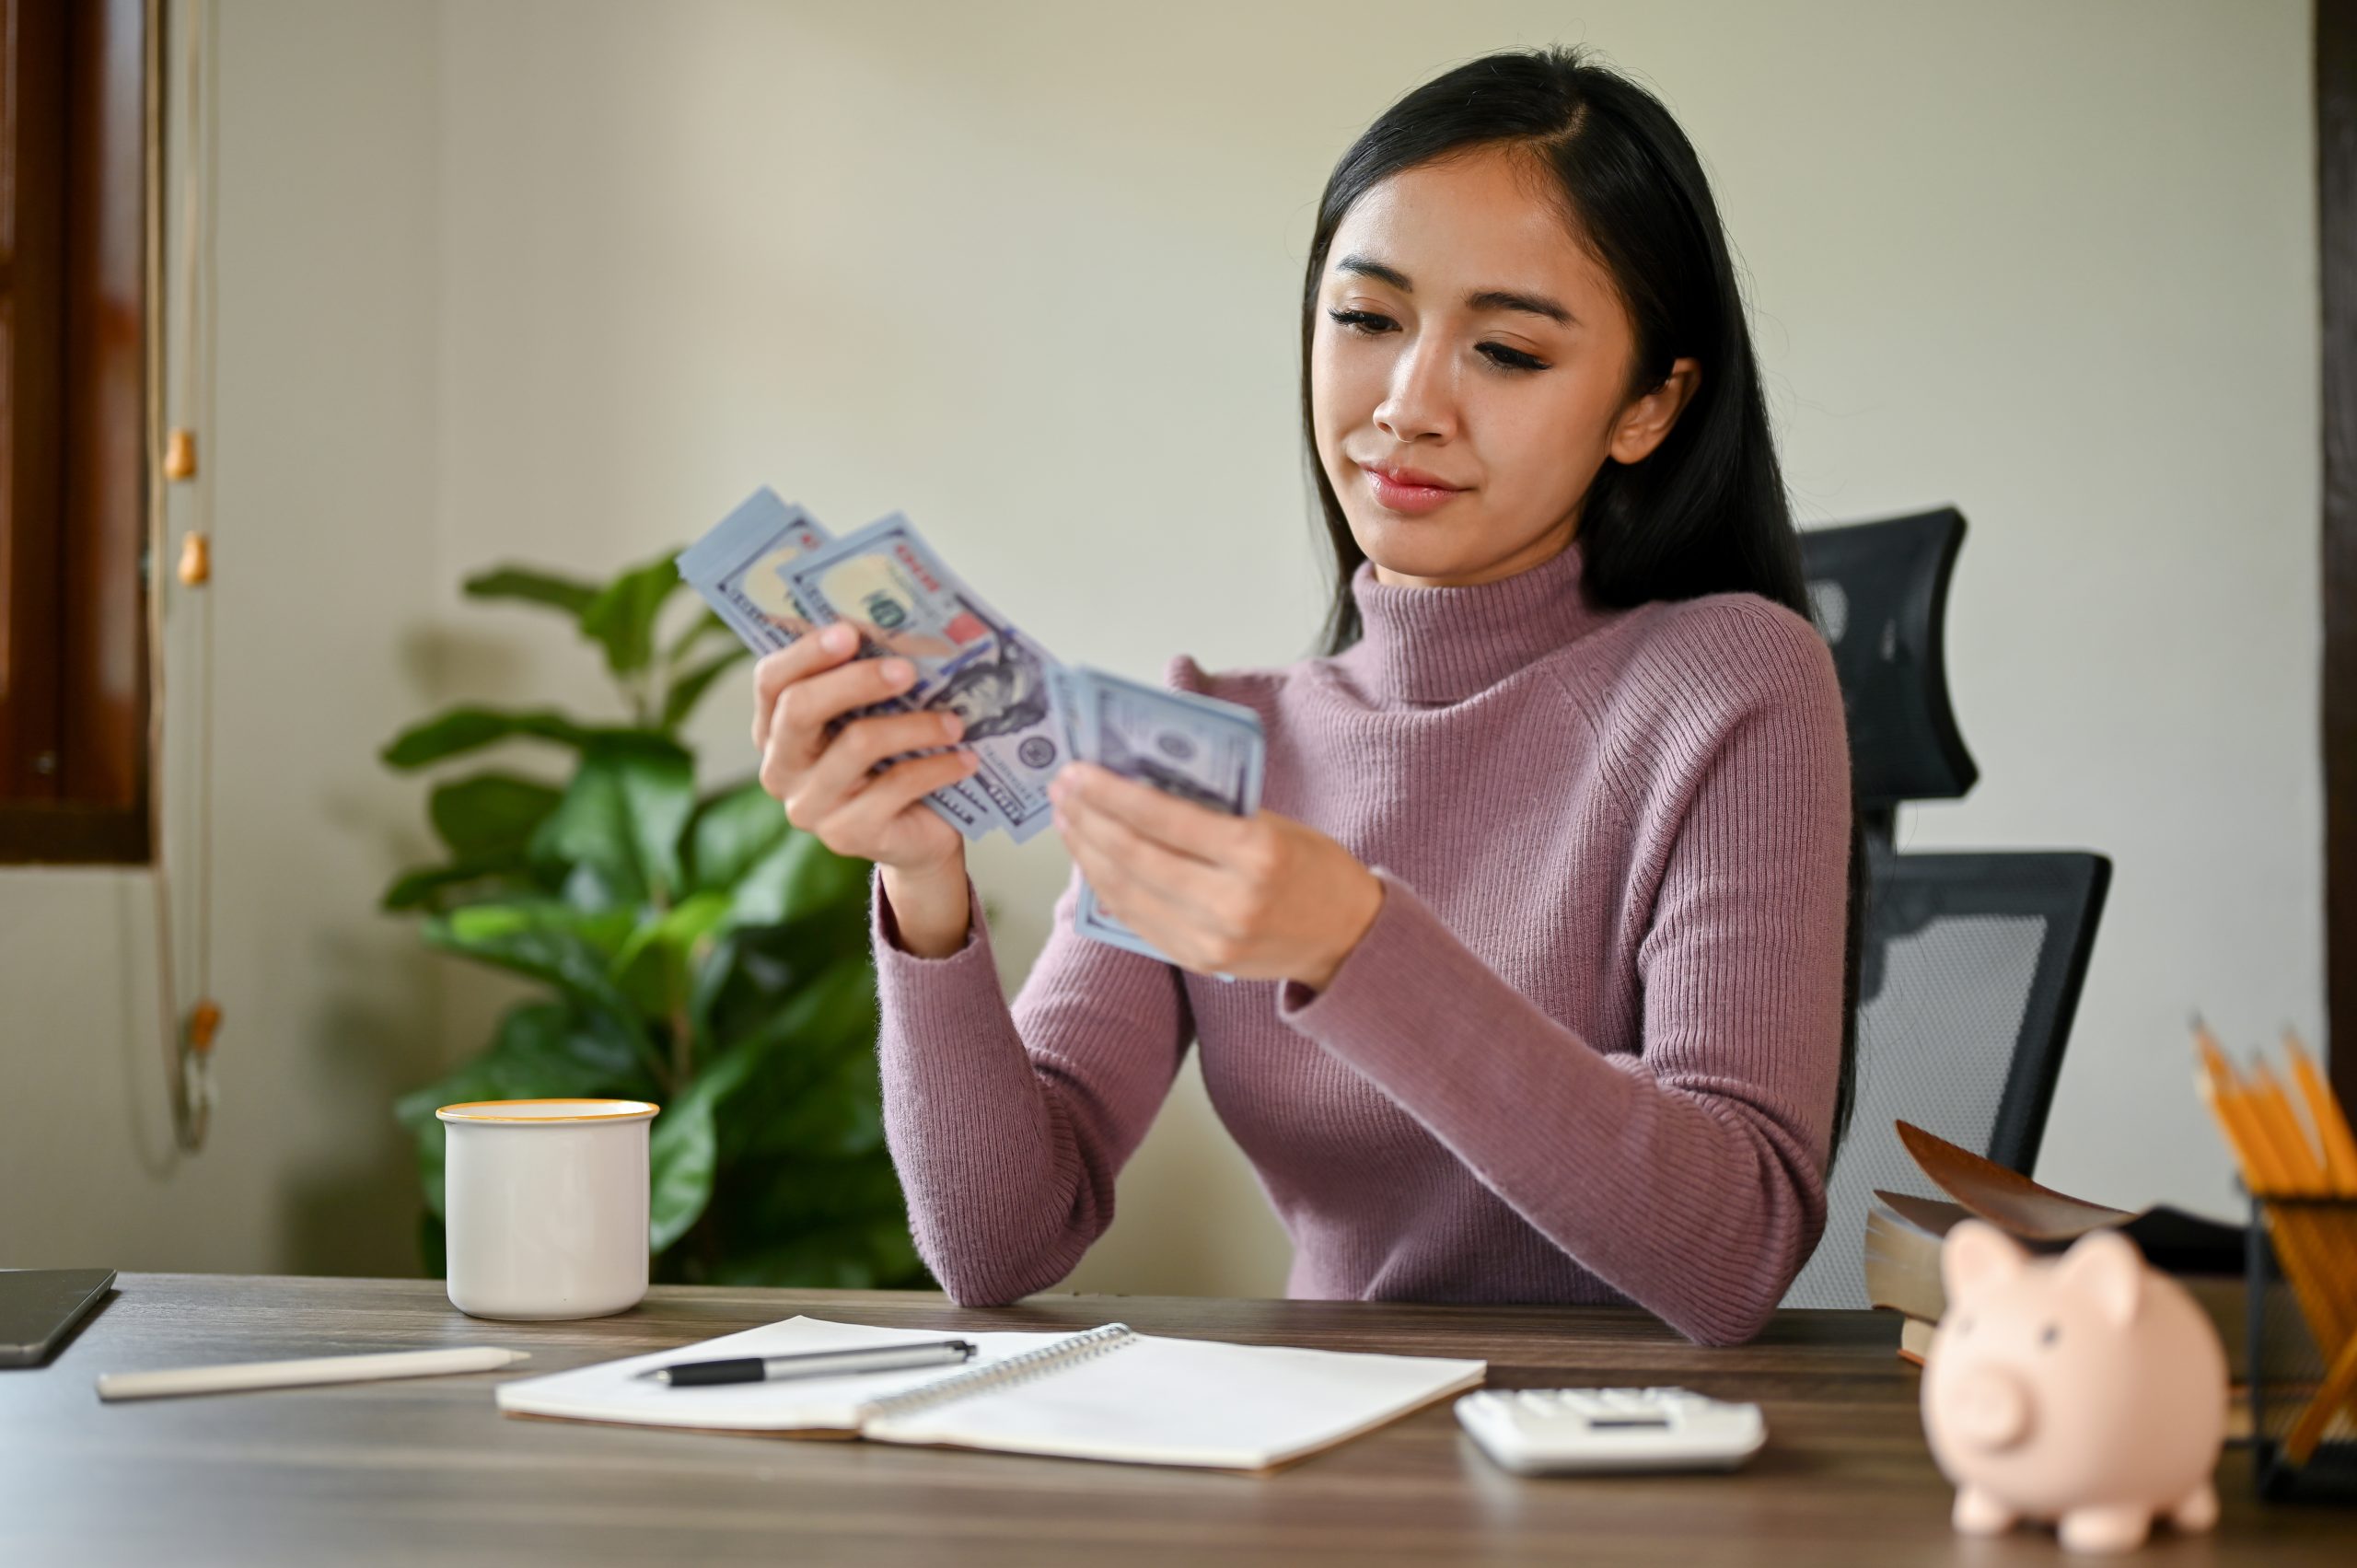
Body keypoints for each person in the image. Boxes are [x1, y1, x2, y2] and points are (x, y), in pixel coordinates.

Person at [749, 44, 1863, 1347]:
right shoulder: (1222, 737)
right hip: (1315, 1468)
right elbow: (1000, 1242)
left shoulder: (1735, 682)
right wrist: (924, 892)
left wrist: (1356, 943)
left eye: (1506, 350)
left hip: (1623, 1482)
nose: (1406, 404)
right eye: (1367, 319)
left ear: (1650, 406)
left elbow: (1734, 1253)